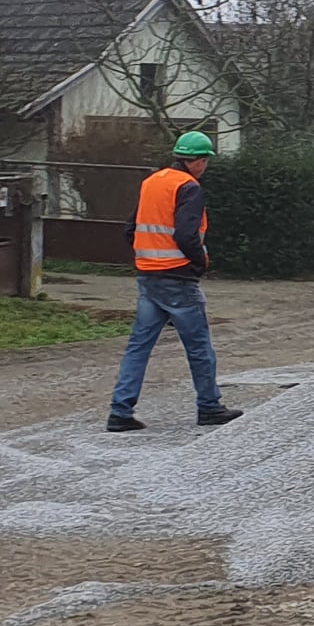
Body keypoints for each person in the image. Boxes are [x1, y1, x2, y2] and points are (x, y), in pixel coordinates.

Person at [106, 131, 243, 433]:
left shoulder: (152, 182)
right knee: (199, 347)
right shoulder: (189, 187)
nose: (206, 166)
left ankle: (120, 411)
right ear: (197, 160)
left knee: (138, 347)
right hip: (178, 278)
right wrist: (199, 263)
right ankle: (209, 406)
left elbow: (131, 229)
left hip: (148, 275)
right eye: (205, 160)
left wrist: (149, 256)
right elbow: (185, 234)